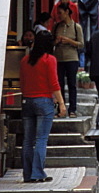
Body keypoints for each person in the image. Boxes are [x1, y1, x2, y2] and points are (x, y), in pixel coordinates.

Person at [19, 31, 66, 183]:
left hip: (27, 101)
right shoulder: (49, 59)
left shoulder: (25, 60)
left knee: (27, 140)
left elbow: (22, 83)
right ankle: (38, 173)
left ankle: (27, 174)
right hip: (44, 101)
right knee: (41, 139)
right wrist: (61, 103)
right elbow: (54, 83)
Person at [53, 4, 84, 117]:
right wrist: (57, 41)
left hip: (72, 58)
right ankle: (60, 108)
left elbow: (81, 44)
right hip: (58, 58)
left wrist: (69, 41)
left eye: (60, 13)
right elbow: (51, 42)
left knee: (72, 84)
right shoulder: (56, 26)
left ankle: (72, 109)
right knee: (59, 84)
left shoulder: (76, 27)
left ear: (67, 12)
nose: (59, 15)